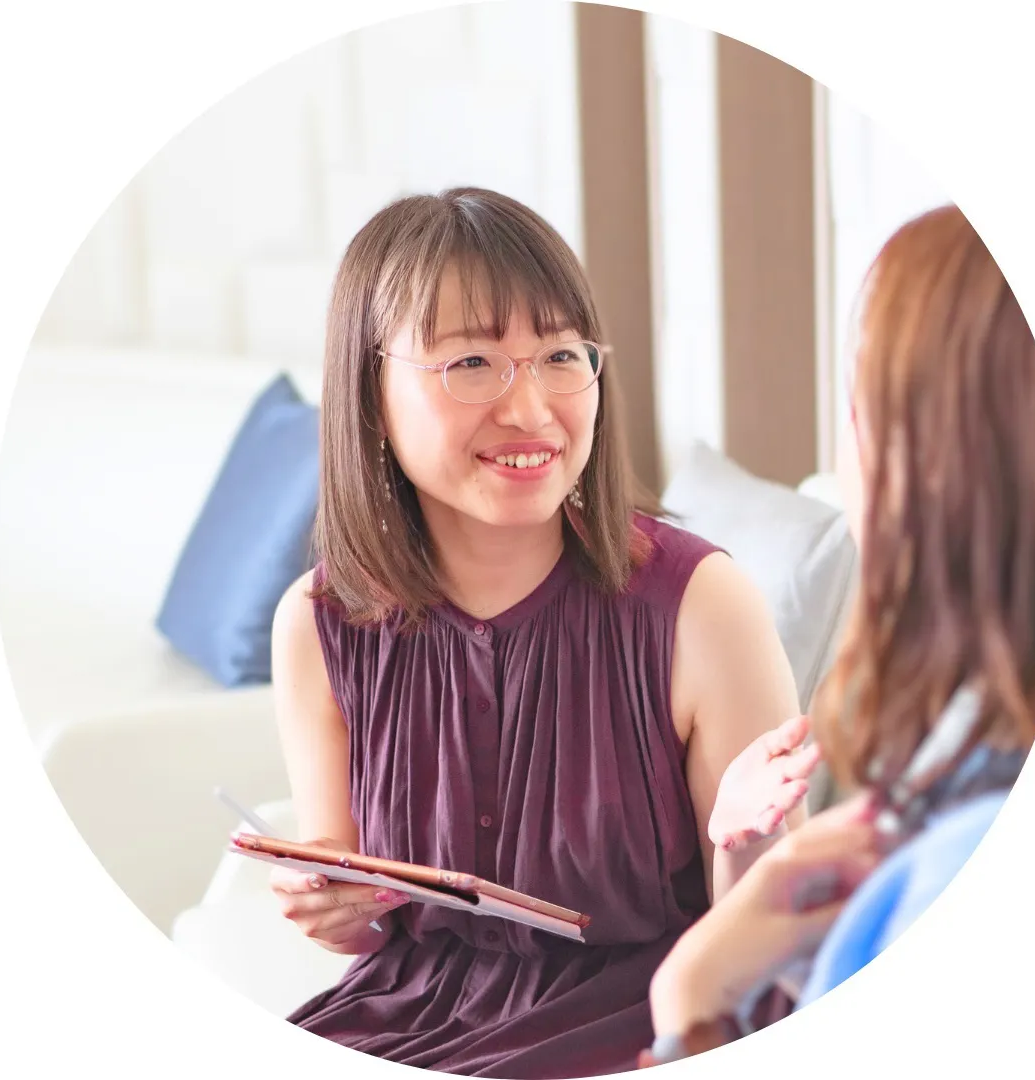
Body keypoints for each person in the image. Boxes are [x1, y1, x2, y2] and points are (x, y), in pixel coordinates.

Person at [266, 187, 820, 1077]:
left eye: (560, 355)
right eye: (471, 363)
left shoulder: (702, 605)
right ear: (370, 395)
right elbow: (362, 923)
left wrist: (746, 839)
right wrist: (330, 902)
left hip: (641, 1022)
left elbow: (772, 950)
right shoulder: (319, 625)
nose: (529, 410)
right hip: (405, 1022)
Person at [642, 203, 1035, 1063]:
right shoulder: (946, 766)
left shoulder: (957, 847)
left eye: (858, 405)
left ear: (930, 461)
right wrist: (752, 877)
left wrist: (689, 1002)